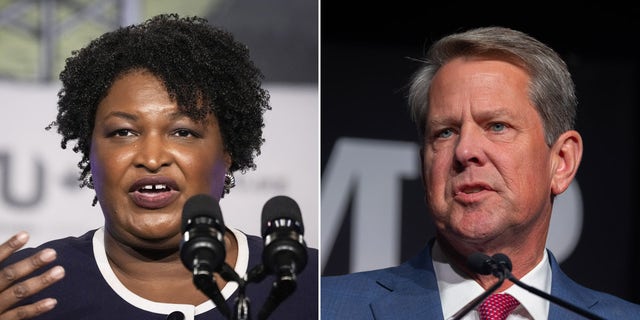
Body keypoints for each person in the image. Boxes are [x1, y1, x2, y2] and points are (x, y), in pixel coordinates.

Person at [0, 13, 317, 320]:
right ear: (90, 151)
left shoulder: (310, 285)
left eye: (183, 132)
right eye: (123, 132)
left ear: (227, 153)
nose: (151, 159)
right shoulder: (23, 290)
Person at [321, 26, 640, 319]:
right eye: (445, 132)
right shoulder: (326, 307)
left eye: (497, 126)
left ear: (562, 161)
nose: (464, 151)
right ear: (424, 164)